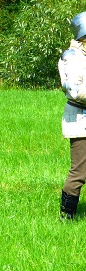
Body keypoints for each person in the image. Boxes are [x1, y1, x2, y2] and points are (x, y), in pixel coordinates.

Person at [58, 11, 86, 219]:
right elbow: (75, 91)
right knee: (79, 171)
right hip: (79, 120)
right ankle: (67, 216)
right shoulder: (72, 57)